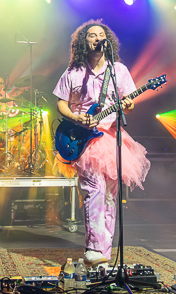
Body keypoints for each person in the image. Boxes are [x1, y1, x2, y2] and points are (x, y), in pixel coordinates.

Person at [53, 20, 150, 267]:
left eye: (102, 34)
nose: (98, 38)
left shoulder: (118, 70)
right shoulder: (73, 72)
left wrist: (129, 103)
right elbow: (61, 102)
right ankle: (93, 248)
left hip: (111, 137)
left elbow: (129, 100)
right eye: (92, 35)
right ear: (83, 42)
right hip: (84, 139)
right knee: (94, 192)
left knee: (109, 197)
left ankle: (103, 254)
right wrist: (75, 116)